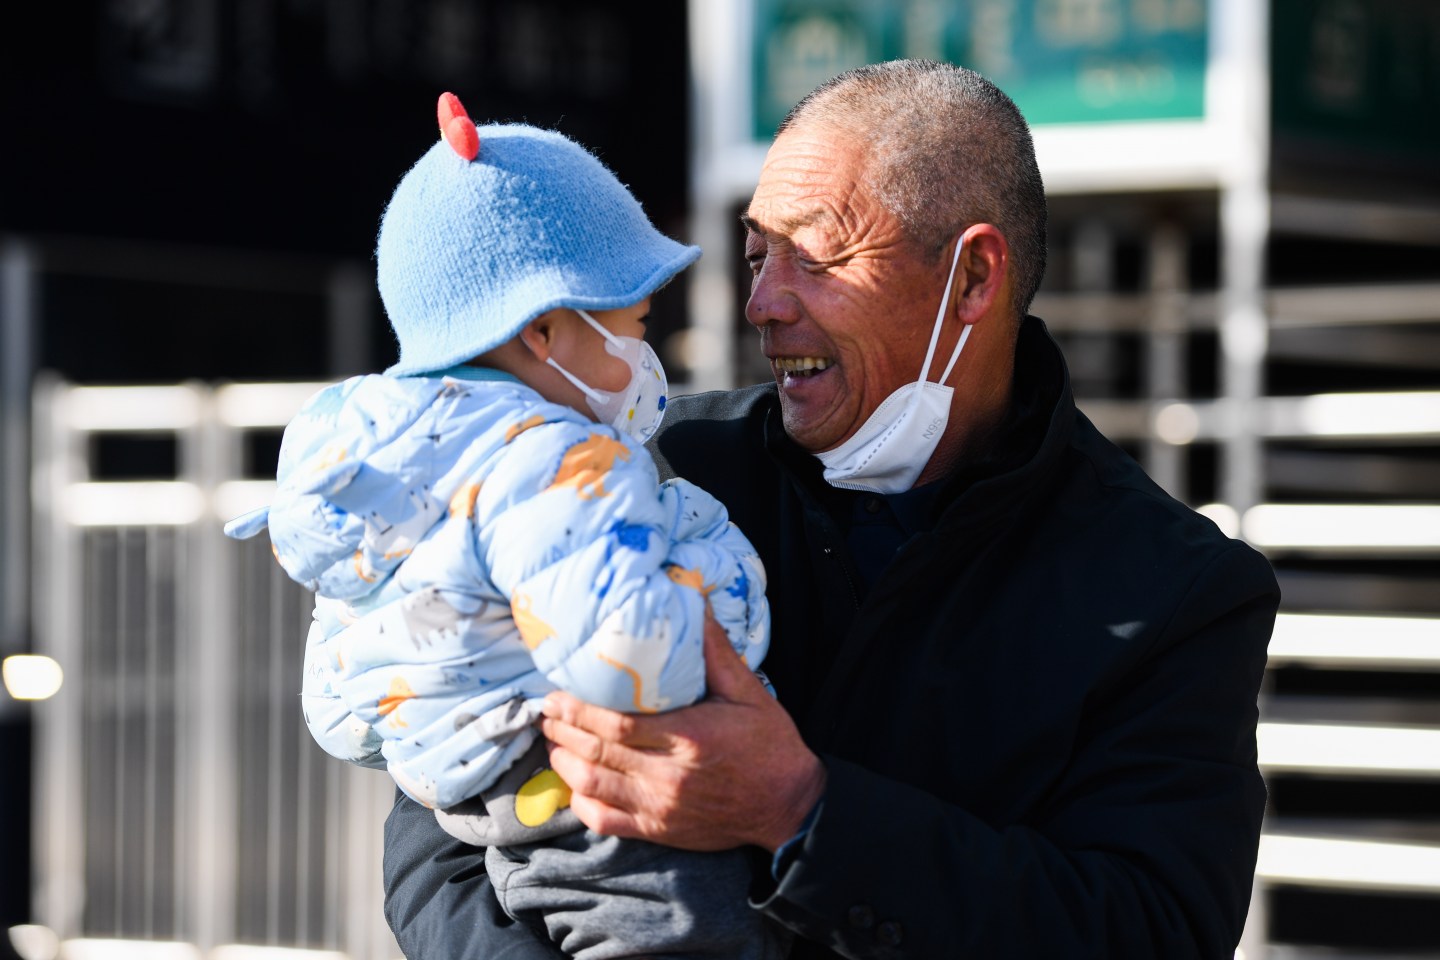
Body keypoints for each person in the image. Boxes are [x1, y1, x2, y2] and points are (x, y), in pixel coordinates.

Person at [382, 61, 1280, 959]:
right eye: (757, 255)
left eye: (814, 256)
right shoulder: (642, 472)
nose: (762, 304)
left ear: (973, 277)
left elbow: (1151, 929)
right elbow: (440, 839)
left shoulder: (1174, 590)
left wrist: (802, 812)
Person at [226, 94, 789, 960]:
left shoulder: (385, 479)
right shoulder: (559, 462)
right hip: (630, 830)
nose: (646, 354)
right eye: (635, 324)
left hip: (494, 829)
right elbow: (635, 657)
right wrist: (721, 591)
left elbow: (342, 717)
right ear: (544, 330)